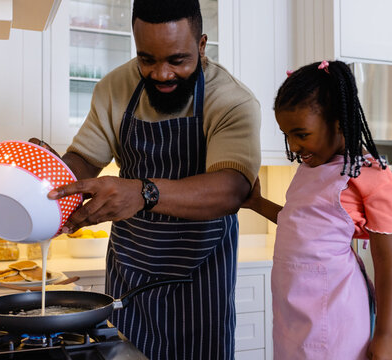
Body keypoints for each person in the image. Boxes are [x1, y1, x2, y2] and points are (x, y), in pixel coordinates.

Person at [31, 0, 261, 358]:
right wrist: (48, 174)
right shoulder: (115, 88)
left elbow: (230, 188)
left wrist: (144, 193)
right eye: (147, 59)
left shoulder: (230, 100)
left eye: (177, 60)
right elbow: (85, 160)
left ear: (202, 46)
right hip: (129, 273)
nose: (162, 74)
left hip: (201, 281)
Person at [242, 60, 392, 359]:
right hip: (293, 315)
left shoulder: (369, 176)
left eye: (301, 134)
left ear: (339, 122)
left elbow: (388, 263)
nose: (293, 145)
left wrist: (386, 335)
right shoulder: (312, 165)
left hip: (338, 319)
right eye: (286, 134)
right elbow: (302, 227)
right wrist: (257, 203)